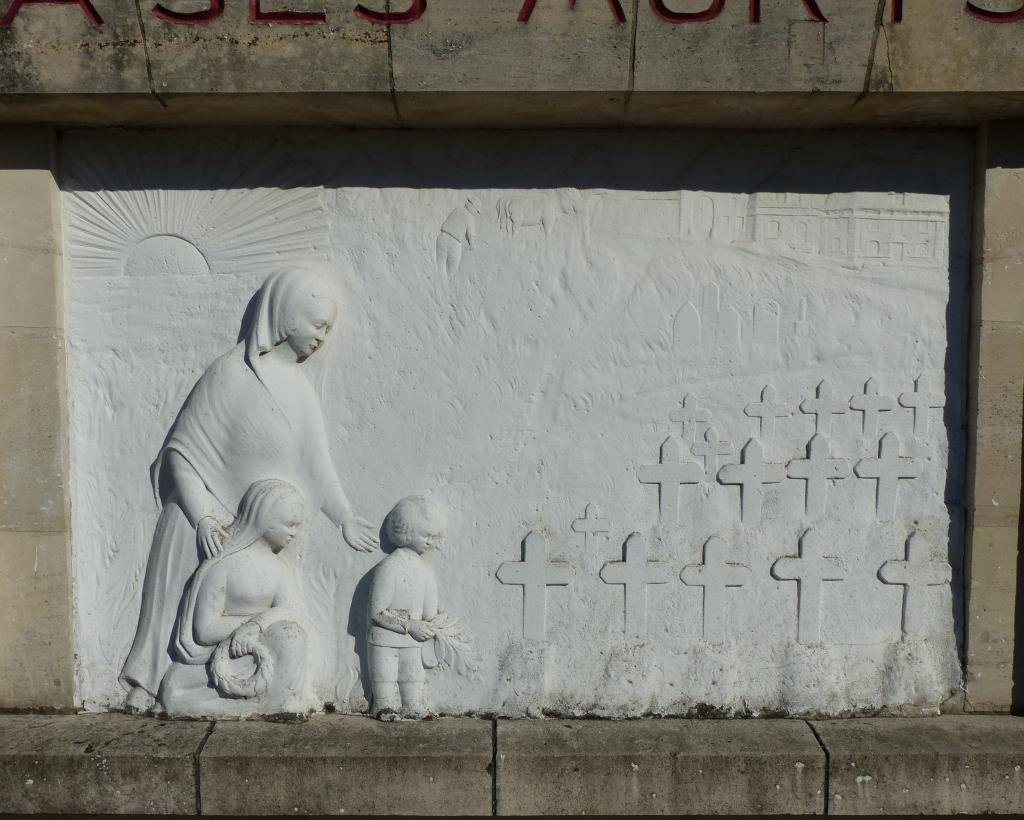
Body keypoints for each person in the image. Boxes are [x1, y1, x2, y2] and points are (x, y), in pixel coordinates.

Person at [120, 268, 379, 713]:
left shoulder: (299, 390)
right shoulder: (228, 374)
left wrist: (346, 516)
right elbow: (180, 453)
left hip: (270, 524)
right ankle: (152, 685)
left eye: (329, 328)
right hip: (206, 521)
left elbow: (318, 466)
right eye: (317, 324)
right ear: (285, 316)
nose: (323, 336)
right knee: (185, 610)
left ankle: (256, 688)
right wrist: (203, 516)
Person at [158, 479, 309, 717]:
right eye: (290, 524)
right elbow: (204, 630)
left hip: (261, 654)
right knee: (173, 687)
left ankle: (271, 703)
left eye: (297, 526)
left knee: (293, 637)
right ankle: (250, 705)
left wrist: (254, 627)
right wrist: (243, 630)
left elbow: (289, 611)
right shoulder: (222, 566)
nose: (294, 533)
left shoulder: (279, 568)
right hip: (225, 655)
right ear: (266, 521)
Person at [367, 496, 445, 719]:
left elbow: (430, 611)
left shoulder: (426, 571)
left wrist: (435, 623)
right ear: (406, 532)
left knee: (412, 675)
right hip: (385, 638)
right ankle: (383, 707)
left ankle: (412, 705)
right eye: (425, 535)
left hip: (412, 639)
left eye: (433, 535)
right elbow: (377, 611)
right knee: (385, 676)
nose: (430, 541)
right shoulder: (388, 568)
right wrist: (409, 624)